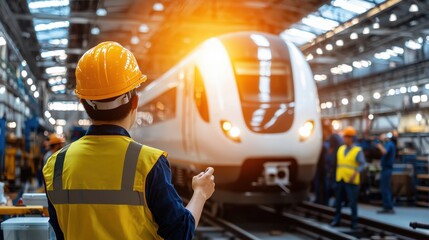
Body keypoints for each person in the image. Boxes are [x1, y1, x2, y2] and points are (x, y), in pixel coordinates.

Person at [43, 41, 215, 240]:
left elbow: (59, 231)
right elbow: (180, 233)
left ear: (84, 103)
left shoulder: (55, 165)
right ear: (135, 102)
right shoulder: (149, 163)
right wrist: (201, 193)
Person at [330, 126, 366, 229]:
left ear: (351, 138)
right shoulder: (340, 149)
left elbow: (362, 164)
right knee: (338, 201)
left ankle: (354, 222)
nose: (345, 139)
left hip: (351, 180)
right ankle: (337, 220)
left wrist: (355, 173)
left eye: (347, 137)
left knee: (353, 202)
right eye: (344, 137)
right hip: (340, 179)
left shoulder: (357, 150)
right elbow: (338, 164)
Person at [375, 132, 396, 214]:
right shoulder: (388, 144)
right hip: (385, 169)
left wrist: (379, 145)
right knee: (385, 188)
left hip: (387, 169)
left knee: (385, 188)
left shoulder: (389, 144)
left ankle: (388, 207)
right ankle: (387, 206)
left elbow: (384, 152)